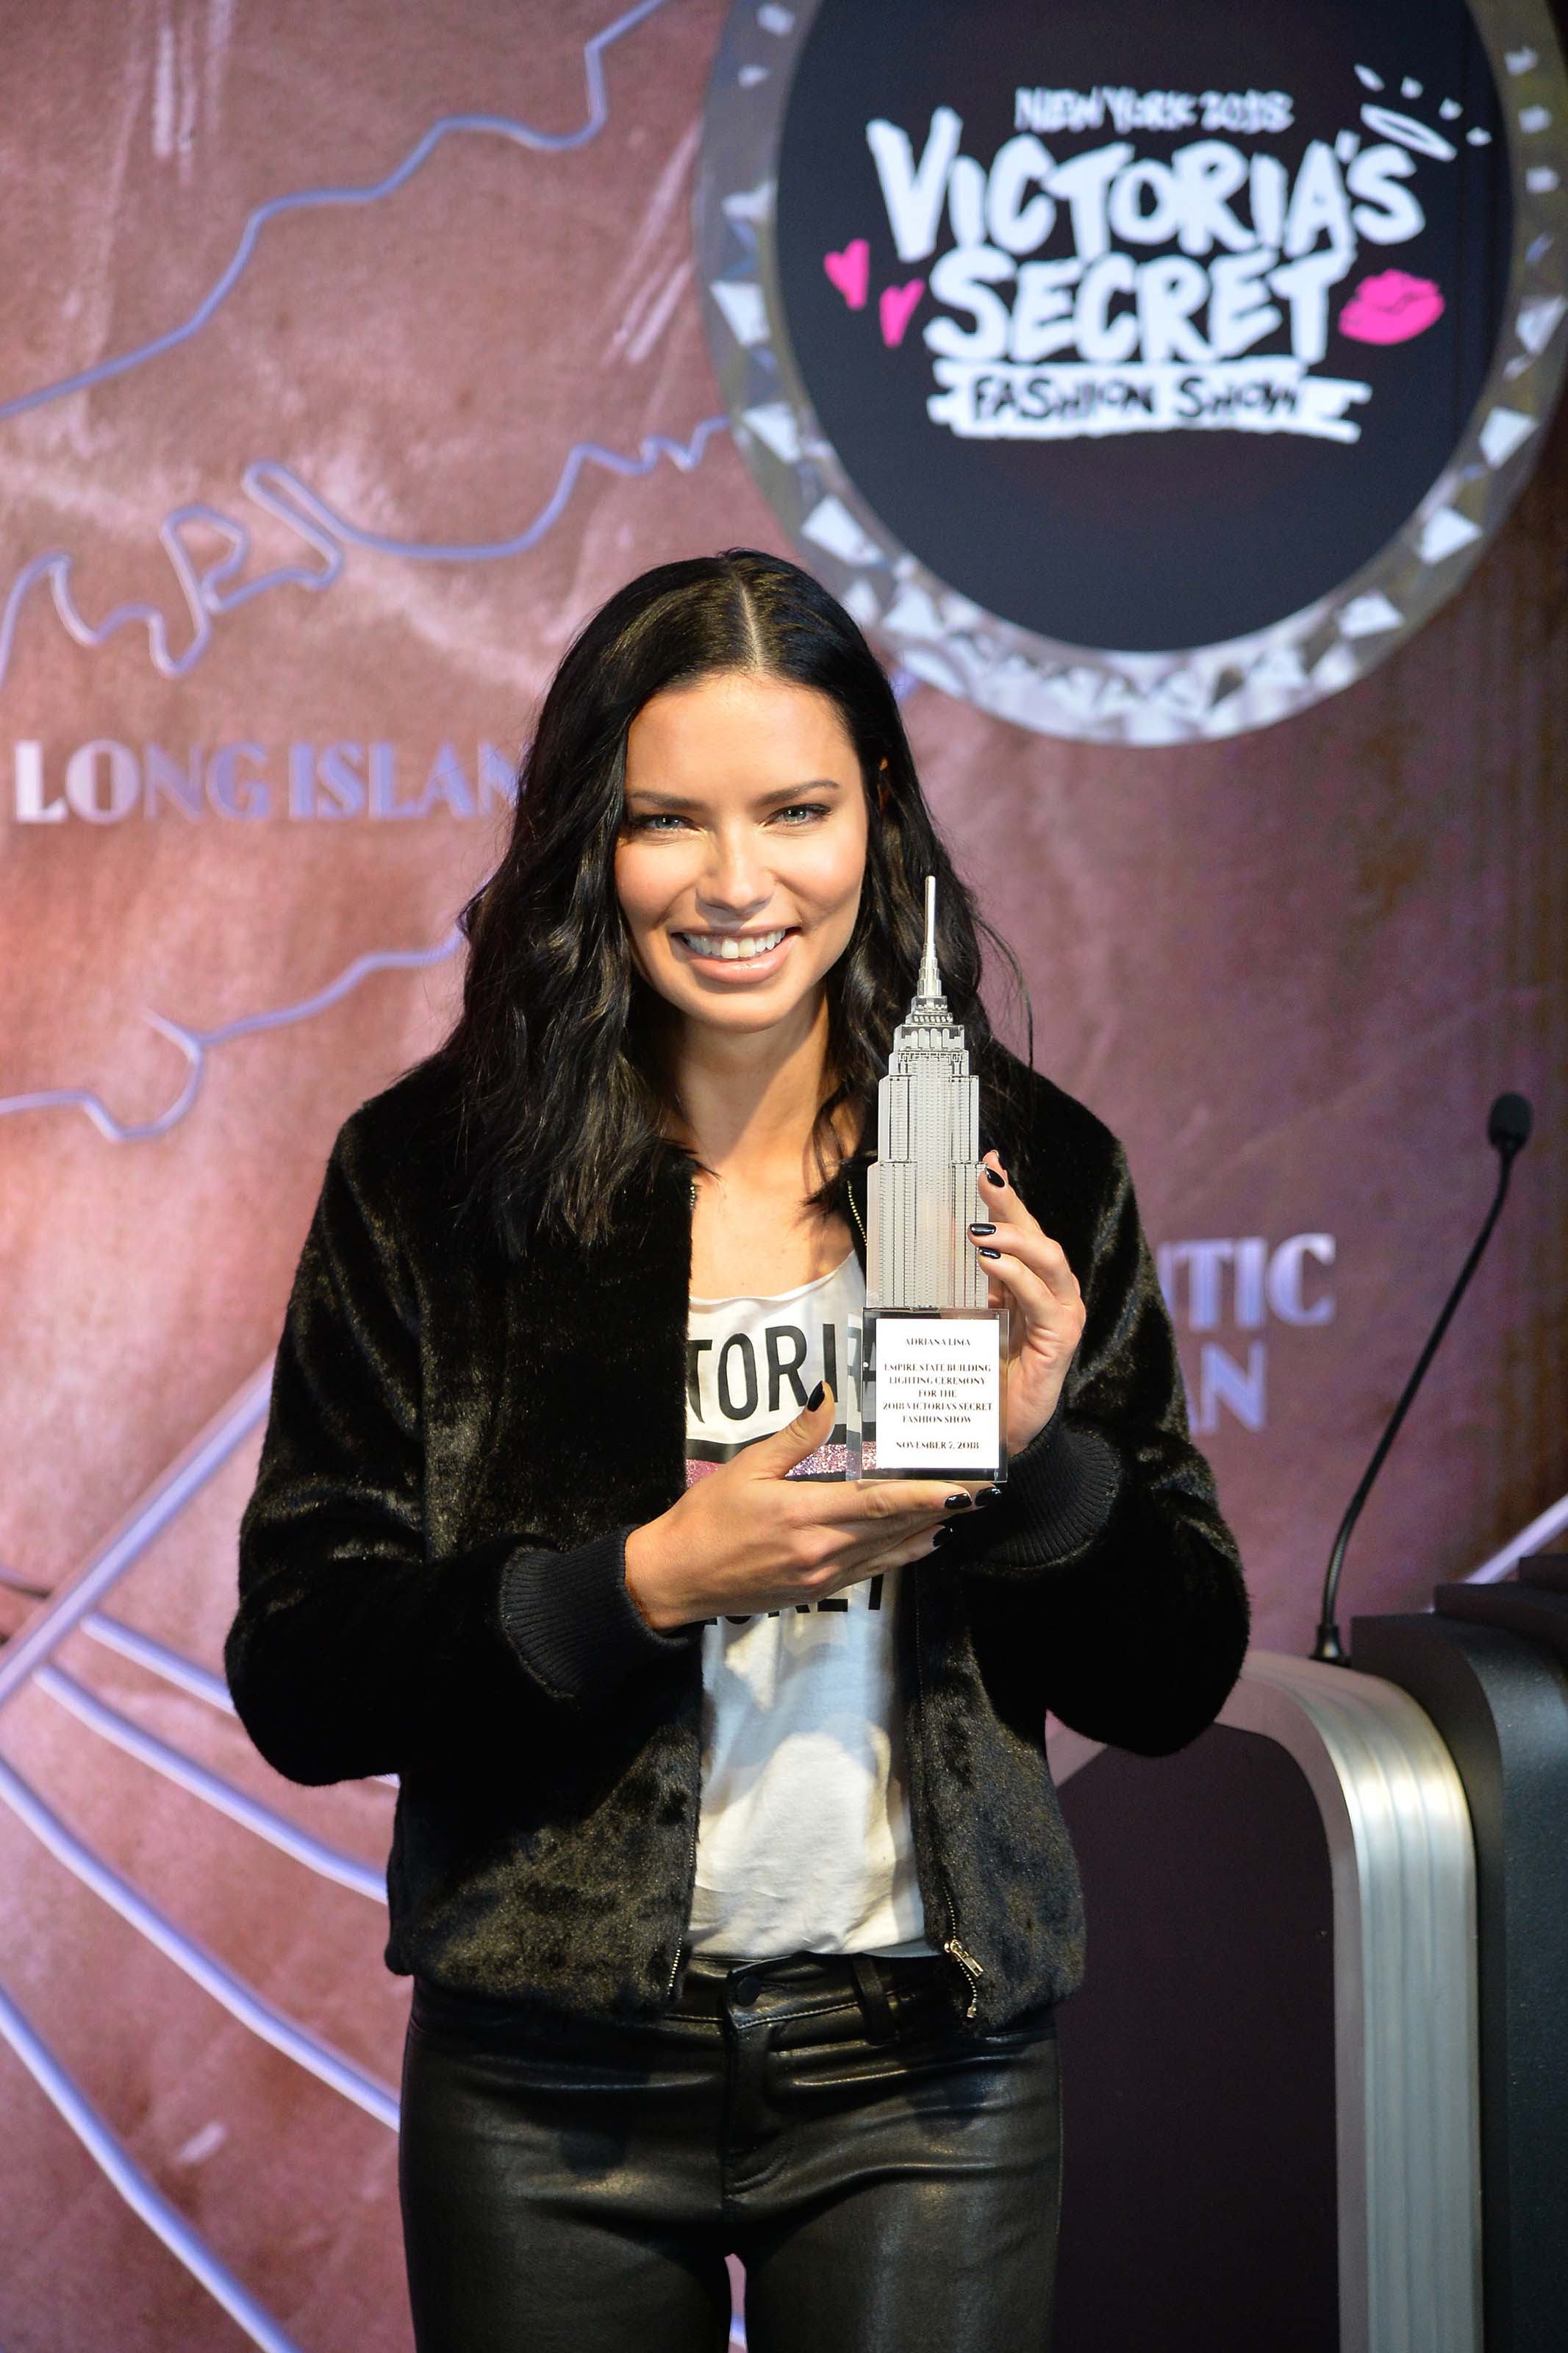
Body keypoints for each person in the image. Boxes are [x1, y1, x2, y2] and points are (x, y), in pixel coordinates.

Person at [226, 548, 1248, 2353]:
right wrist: (644, 1582)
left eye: (795, 810)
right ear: (584, 846)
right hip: (546, 2078)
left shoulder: (1023, 1165)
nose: (734, 882)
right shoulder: (433, 1180)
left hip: (925, 2080)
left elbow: (1172, 1676)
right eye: (664, 822)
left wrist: (1037, 1461)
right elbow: (304, 1671)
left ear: (879, 821)